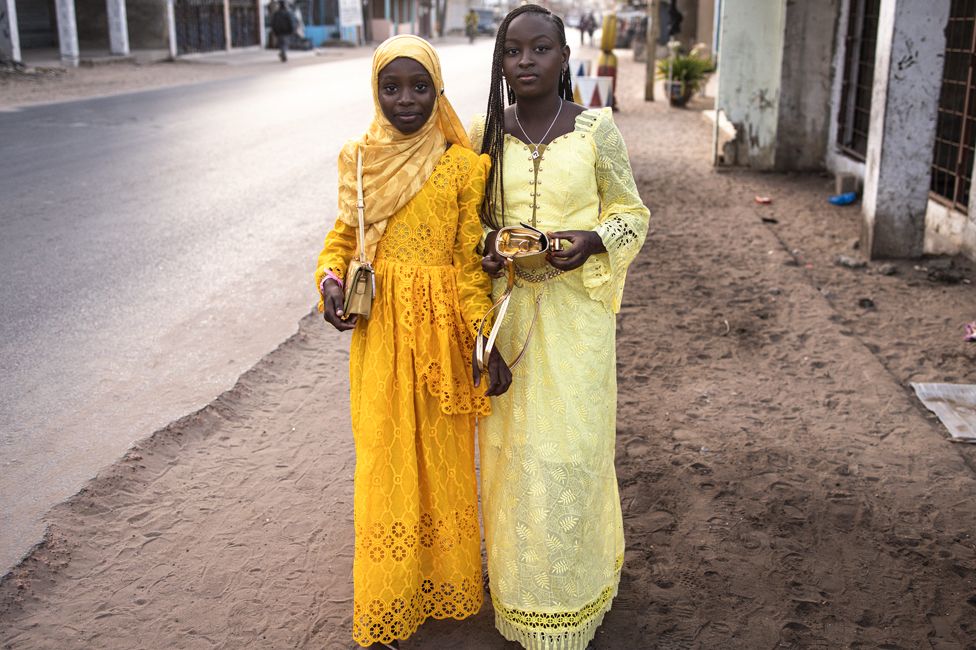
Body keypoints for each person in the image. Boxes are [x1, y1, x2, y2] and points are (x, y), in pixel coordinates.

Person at [314, 34, 507, 649]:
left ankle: (442, 582)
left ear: (438, 89)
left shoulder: (460, 165)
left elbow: (468, 267)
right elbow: (342, 238)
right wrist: (329, 280)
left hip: (441, 338)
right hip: (380, 340)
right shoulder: (361, 159)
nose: (405, 100)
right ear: (375, 91)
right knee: (385, 462)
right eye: (391, 88)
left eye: (419, 87)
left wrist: (482, 336)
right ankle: (391, 594)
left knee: (443, 463)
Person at [469, 4, 649, 649]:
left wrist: (595, 240)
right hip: (510, 316)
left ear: (563, 56)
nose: (525, 62)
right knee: (512, 458)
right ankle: (522, 593)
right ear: (501, 62)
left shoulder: (597, 130)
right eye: (513, 52)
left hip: (578, 320)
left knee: (573, 451)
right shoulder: (485, 137)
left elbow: (632, 212)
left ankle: (575, 590)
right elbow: (471, 224)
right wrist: (491, 246)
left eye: (539, 49)